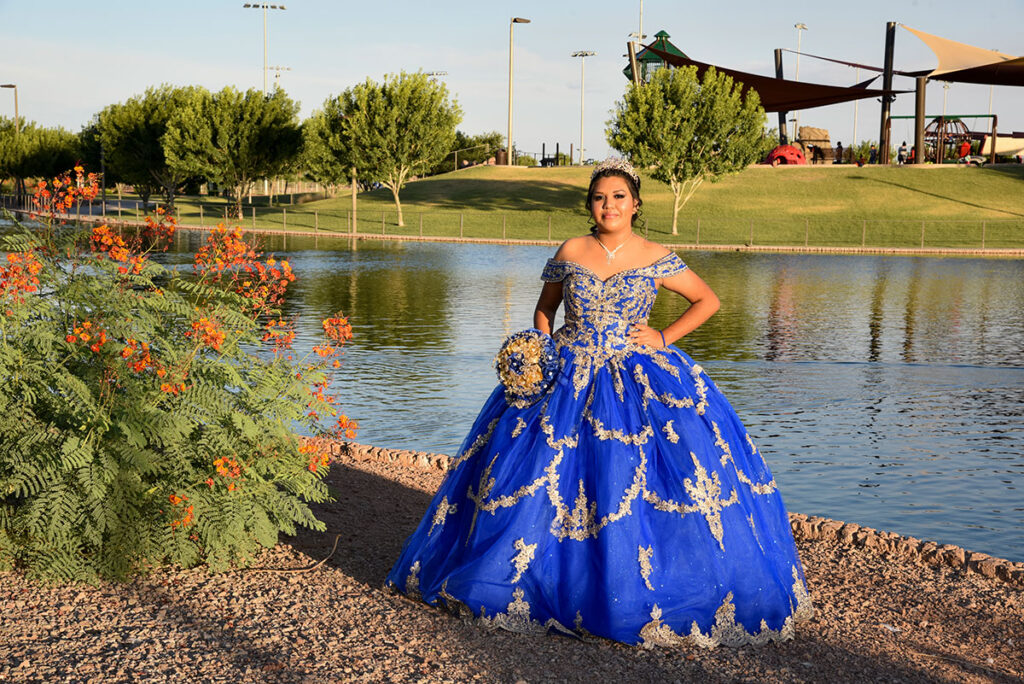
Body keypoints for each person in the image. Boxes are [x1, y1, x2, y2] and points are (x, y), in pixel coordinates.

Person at [385, 159, 813, 648]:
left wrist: (663, 336)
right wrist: (540, 353)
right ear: (590, 205)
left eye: (618, 196)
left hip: (635, 374)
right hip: (565, 371)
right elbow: (545, 307)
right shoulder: (572, 249)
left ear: (635, 204)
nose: (608, 205)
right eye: (599, 197)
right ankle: (520, 575)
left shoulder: (656, 254)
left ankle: (625, 585)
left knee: (634, 474)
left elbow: (708, 301)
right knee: (539, 470)